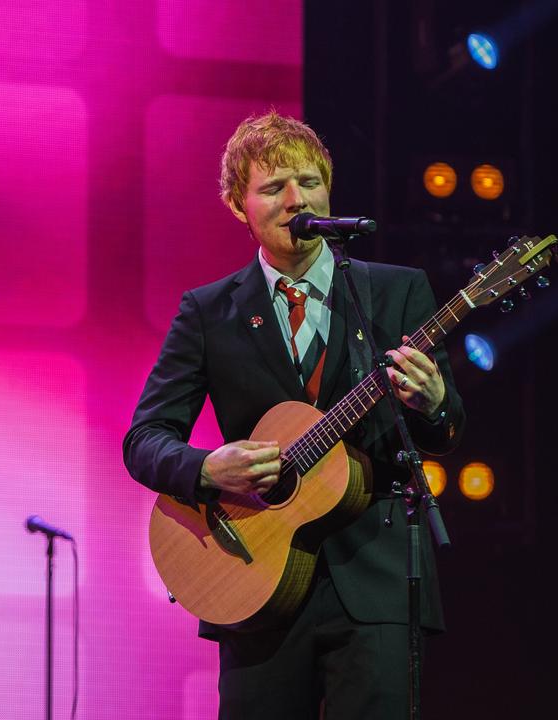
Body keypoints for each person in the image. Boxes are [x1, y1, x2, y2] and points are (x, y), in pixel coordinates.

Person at [123, 111, 465, 718]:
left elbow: (445, 428)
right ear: (239, 205)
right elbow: (144, 439)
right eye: (273, 186)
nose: (296, 199)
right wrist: (208, 470)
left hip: (376, 580)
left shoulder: (394, 291)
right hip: (252, 582)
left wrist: (434, 403)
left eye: (309, 182)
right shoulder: (208, 311)